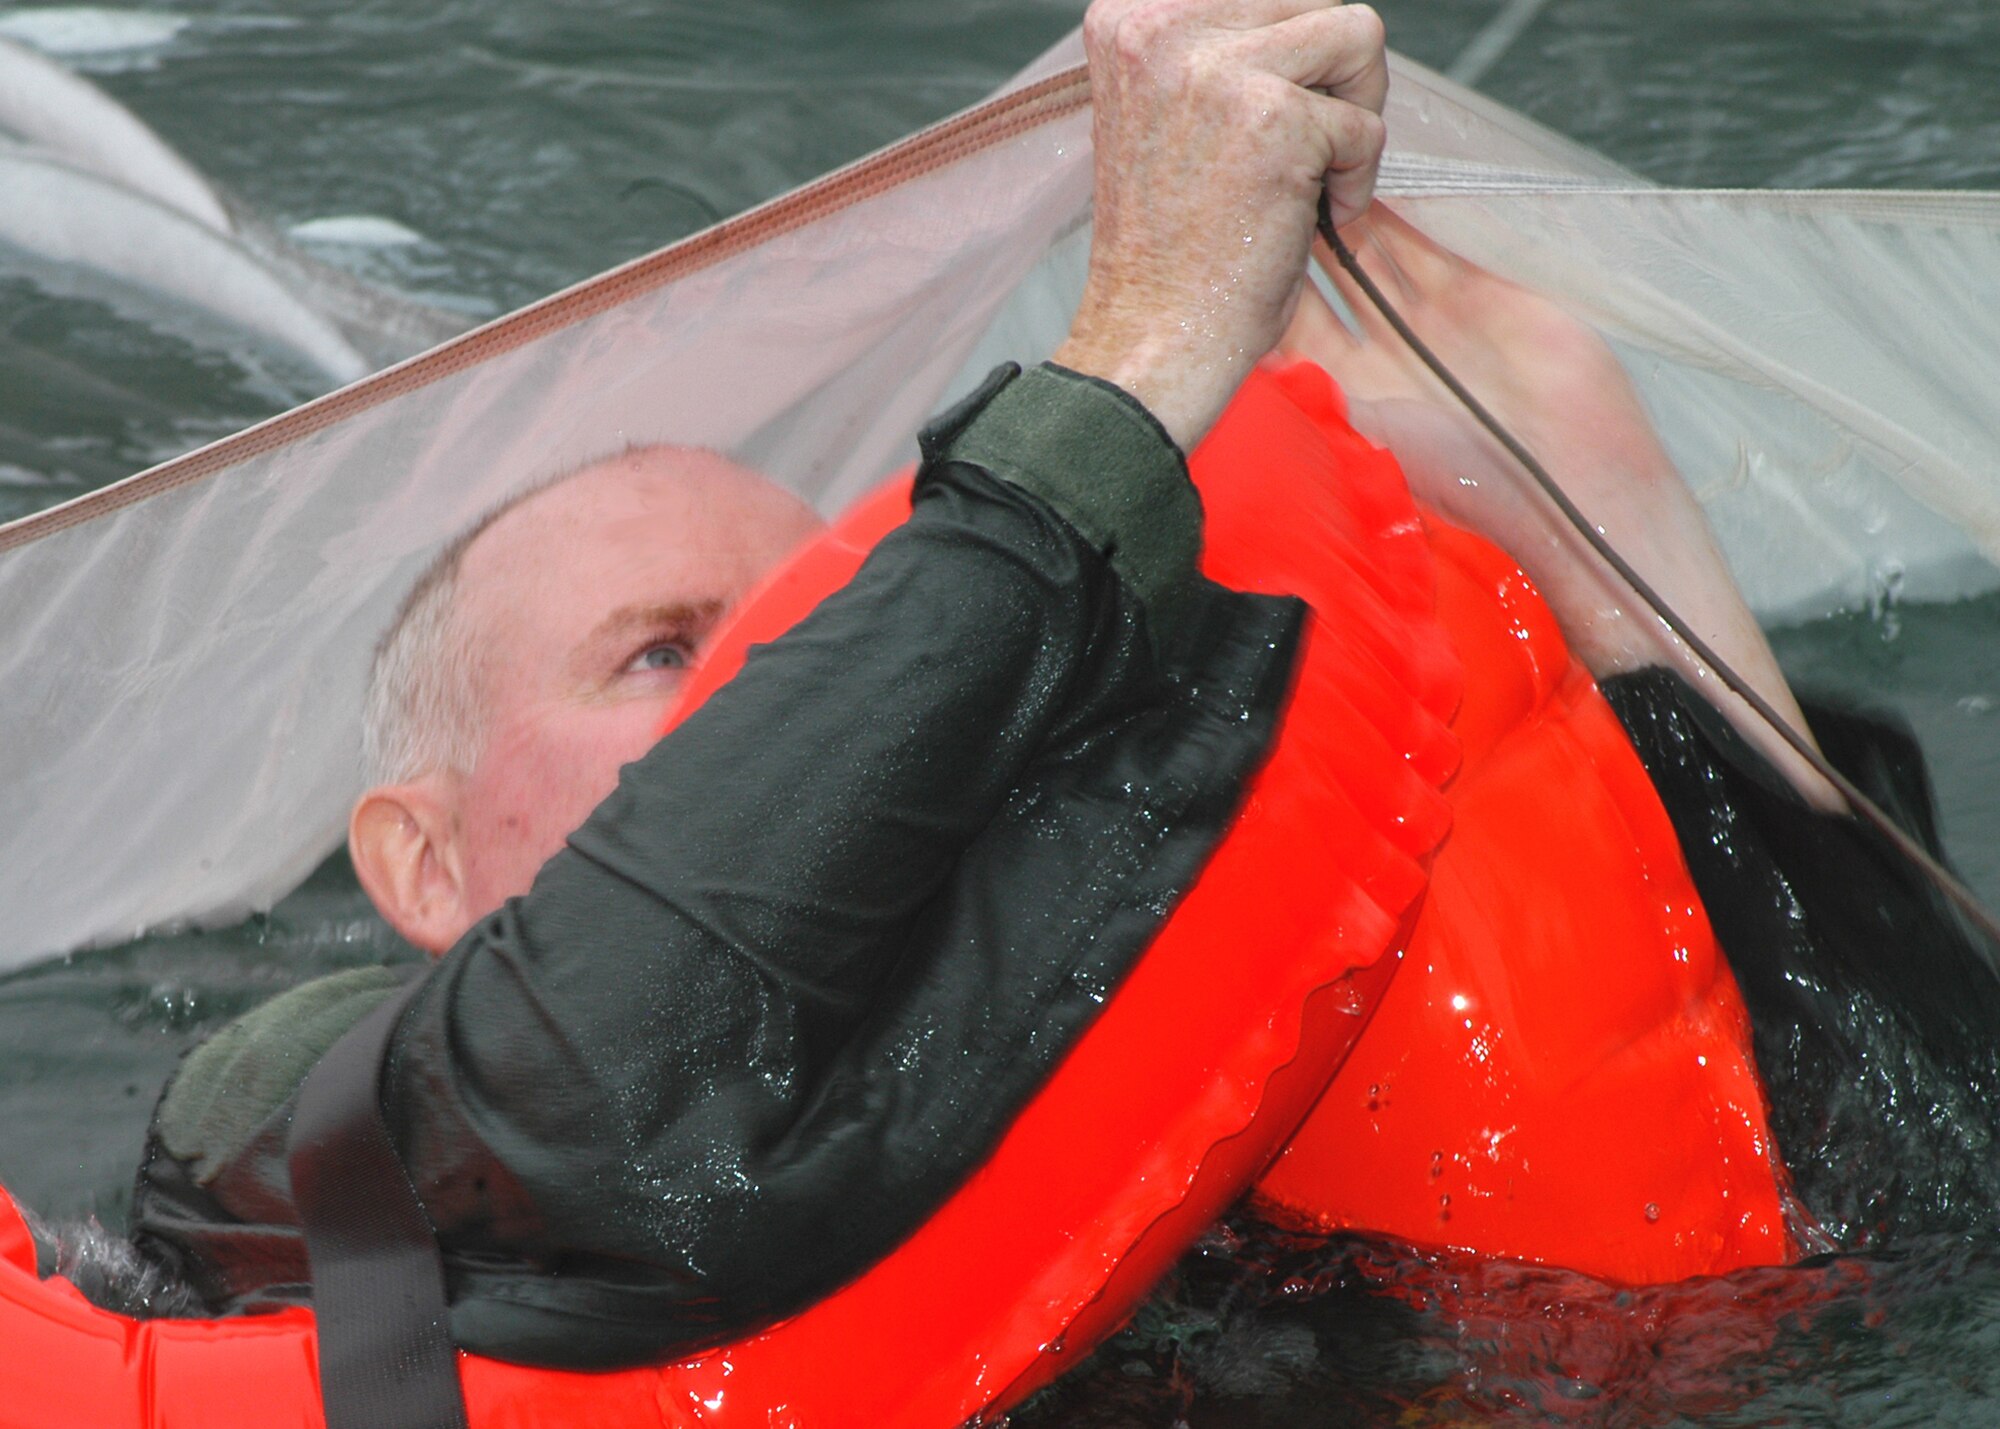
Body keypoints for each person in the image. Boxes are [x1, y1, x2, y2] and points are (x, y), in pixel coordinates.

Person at [120, 0, 1403, 1371]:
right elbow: (594, 1092)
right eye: (661, 651)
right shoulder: (265, 1124)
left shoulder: (1106, 1015)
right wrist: (1138, 362)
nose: (756, 678)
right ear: (422, 860)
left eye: (816, 628)